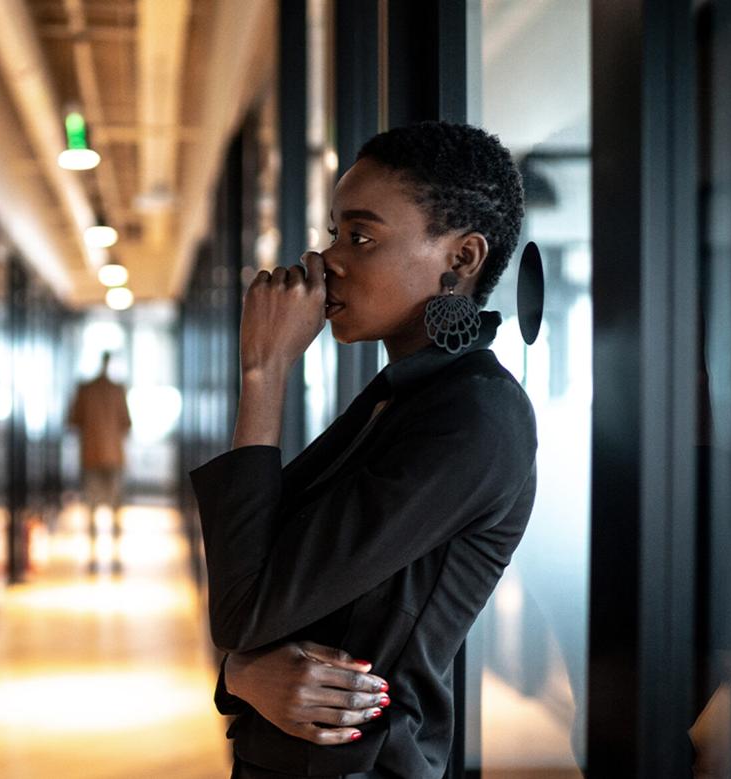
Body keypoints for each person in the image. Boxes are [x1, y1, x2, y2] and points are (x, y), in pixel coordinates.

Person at [190, 121, 538, 778]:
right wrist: (239, 673)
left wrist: (264, 373)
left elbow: (246, 609)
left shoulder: (475, 415)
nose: (328, 260)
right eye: (333, 233)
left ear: (460, 259)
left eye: (361, 236)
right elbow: (258, 582)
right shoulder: (398, 396)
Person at [67, 351, 132, 573]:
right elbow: (126, 423)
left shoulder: (85, 390)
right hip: (114, 456)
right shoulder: (117, 390)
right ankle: (115, 554)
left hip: (91, 455)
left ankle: (94, 555)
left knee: (92, 506)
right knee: (115, 507)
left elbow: (73, 420)